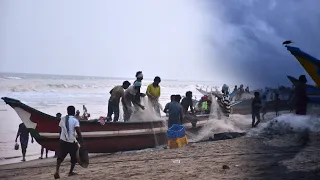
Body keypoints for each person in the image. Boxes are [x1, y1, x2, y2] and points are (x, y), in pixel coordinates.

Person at [54, 106, 84, 179]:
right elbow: (78, 132)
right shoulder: (75, 120)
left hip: (63, 141)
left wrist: (61, 139)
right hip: (71, 141)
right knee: (74, 157)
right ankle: (70, 172)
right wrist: (82, 142)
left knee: (60, 157)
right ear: (74, 112)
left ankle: (57, 171)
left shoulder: (63, 119)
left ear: (67, 112)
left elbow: (60, 130)